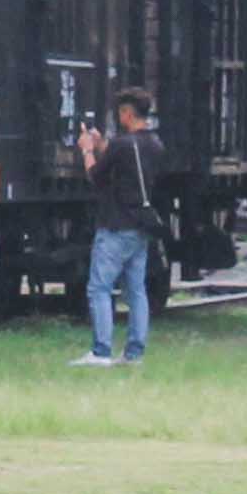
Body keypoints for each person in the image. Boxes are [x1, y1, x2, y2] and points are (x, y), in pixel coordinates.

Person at [75, 87, 163, 369]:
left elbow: (95, 177)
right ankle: (134, 352)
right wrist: (104, 147)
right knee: (136, 289)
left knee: (99, 288)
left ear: (127, 113)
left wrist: (89, 151)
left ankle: (101, 351)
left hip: (115, 224)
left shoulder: (122, 145)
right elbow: (127, 167)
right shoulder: (154, 143)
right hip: (141, 225)